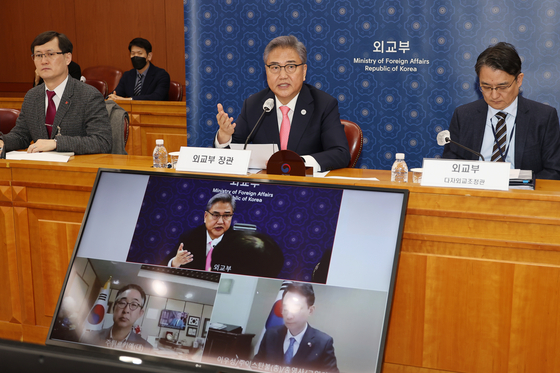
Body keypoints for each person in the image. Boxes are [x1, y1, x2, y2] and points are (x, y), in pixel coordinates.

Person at [215, 35, 350, 171]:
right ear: (266, 71)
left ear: (304, 71)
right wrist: (224, 137)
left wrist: (300, 162)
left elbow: (340, 153)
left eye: (291, 66)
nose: (283, 75)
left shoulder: (323, 104)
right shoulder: (253, 105)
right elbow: (230, 155)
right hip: (266, 189)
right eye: (275, 67)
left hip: (307, 188)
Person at [442, 42, 560, 180]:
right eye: (486, 87)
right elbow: (450, 168)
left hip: (521, 197)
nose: (494, 95)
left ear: (519, 80)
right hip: (474, 196)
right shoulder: (463, 116)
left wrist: (522, 185)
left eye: (502, 87)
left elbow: (554, 172)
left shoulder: (543, 117)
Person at [0, 31, 112, 156]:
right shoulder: (32, 96)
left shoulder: (88, 95)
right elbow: (21, 135)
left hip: (76, 170)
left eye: (50, 54)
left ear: (67, 58)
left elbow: (102, 141)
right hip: (40, 169)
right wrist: (2, 142)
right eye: (38, 55)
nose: (44, 61)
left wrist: (56, 143)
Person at [253, 283, 339, 373]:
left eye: (296, 309)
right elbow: (255, 366)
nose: (289, 316)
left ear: (310, 310)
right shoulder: (271, 334)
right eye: (285, 309)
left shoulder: (323, 343)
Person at [164, 193, 235, 271]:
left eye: (226, 216)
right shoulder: (190, 237)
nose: (220, 221)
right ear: (205, 216)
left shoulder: (239, 242)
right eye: (215, 215)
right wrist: (175, 263)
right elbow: (160, 268)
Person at [80, 284, 153, 351]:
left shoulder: (146, 348)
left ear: (140, 313)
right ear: (114, 307)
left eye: (134, 304)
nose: (126, 310)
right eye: (122, 303)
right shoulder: (90, 338)